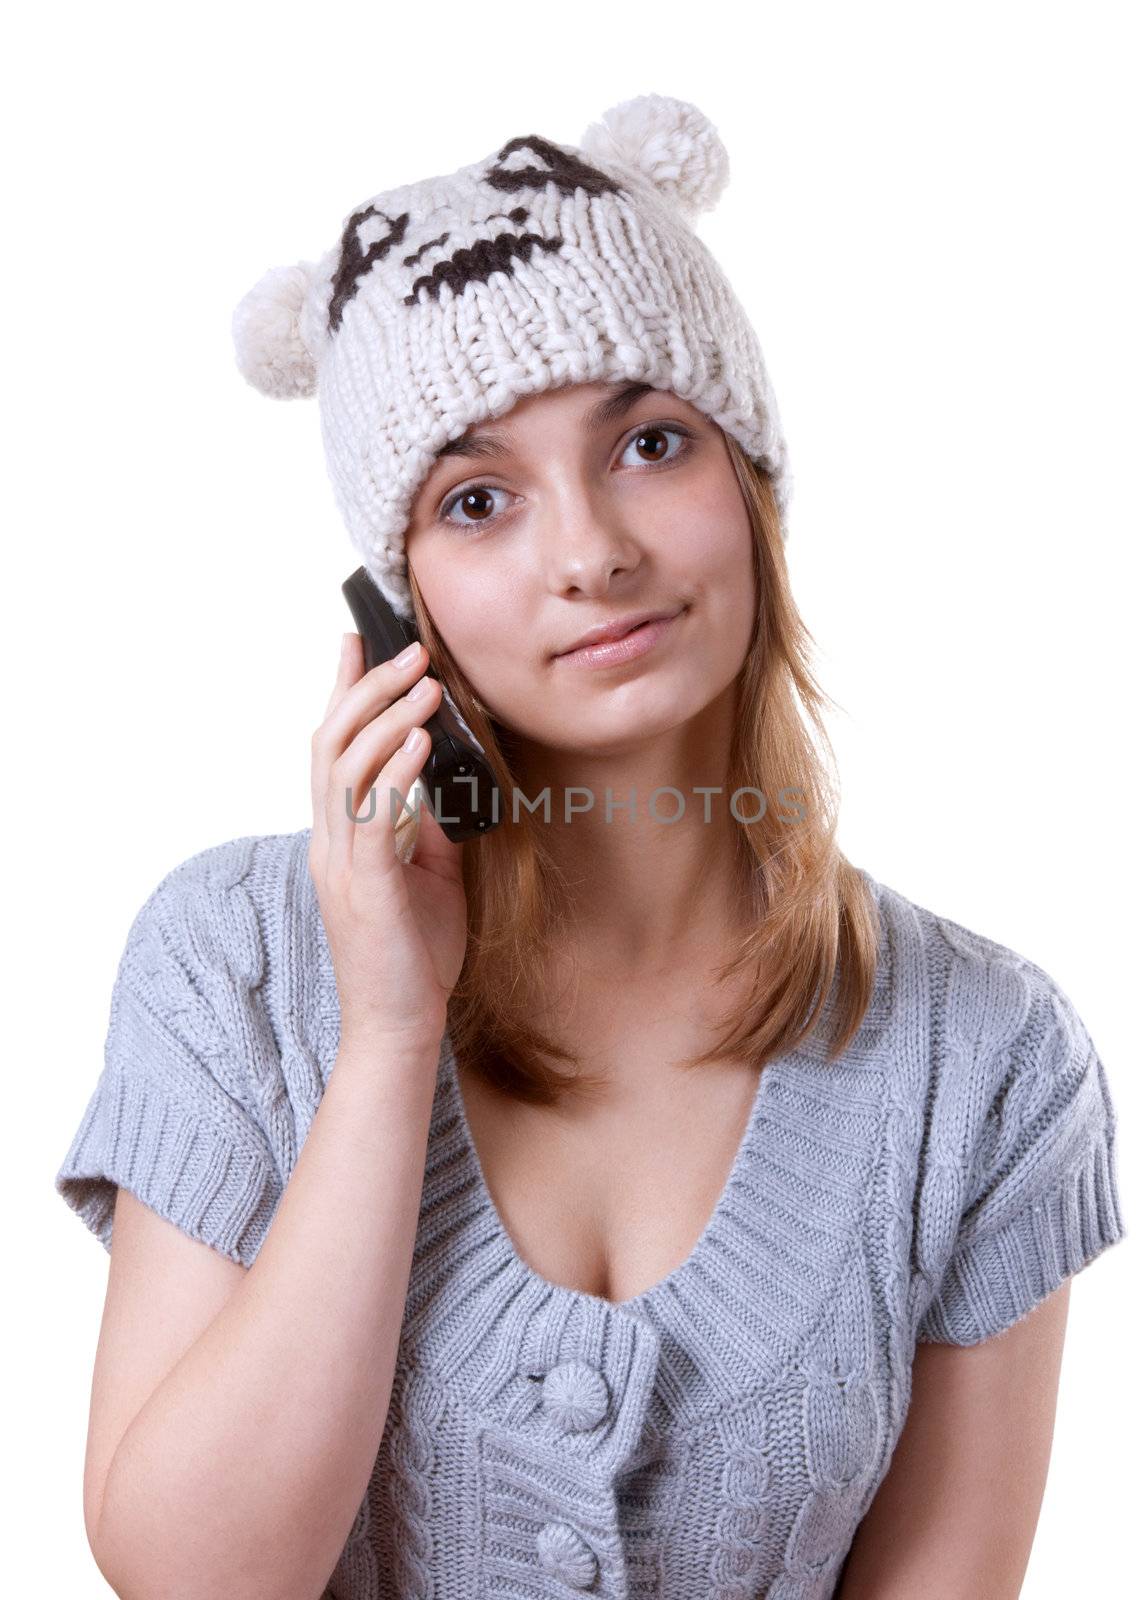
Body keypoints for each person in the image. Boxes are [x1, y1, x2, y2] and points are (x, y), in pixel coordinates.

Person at [54, 93, 1126, 1600]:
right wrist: (386, 1030)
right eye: (478, 500)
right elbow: (198, 1579)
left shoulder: (989, 1060)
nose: (590, 552)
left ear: (749, 483)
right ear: (396, 601)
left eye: (649, 441)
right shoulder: (234, 959)